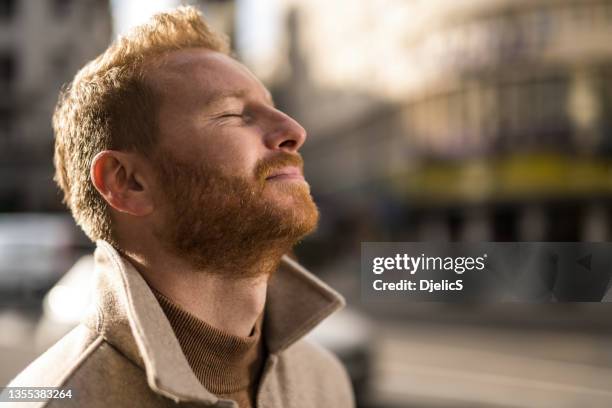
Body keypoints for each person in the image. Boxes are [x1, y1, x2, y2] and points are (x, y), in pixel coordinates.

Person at [8, 6, 354, 408]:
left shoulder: (323, 380)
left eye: (273, 107)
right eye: (232, 114)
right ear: (127, 182)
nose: (294, 132)